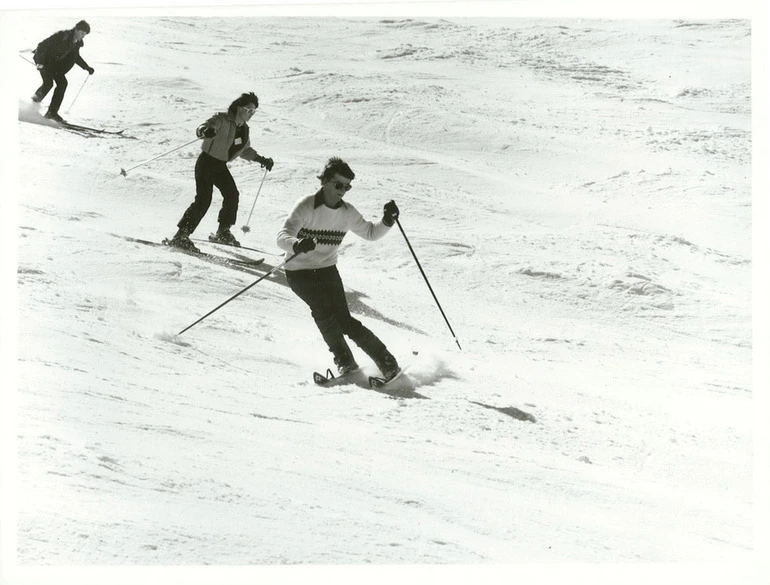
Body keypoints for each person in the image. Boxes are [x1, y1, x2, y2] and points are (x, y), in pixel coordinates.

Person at [277, 157, 401, 380]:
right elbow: (282, 236)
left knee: (344, 320)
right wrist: (296, 244)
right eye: (338, 185)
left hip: (326, 269)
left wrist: (387, 221)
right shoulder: (307, 205)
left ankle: (387, 361)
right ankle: (345, 361)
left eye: (347, 186)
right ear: (324, 181)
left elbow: (370, 233)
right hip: (298, 271)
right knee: (323, 312)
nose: (343, 191)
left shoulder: (347, 212)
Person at [170, 92, 274, 252]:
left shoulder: (244, 130)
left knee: (232, 194)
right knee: (203, 200)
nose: (250, 114)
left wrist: (261, 159)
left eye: (253, 112)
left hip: (219, 166)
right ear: (239, 108)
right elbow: (204, 127)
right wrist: (205, 131)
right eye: (248, 110)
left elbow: (245, 150)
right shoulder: (222, 119)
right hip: (206, 162)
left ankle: (223, 232)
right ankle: (181, 236)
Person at [32, 20, 95, 123]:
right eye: (82, 33)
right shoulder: (62, 35)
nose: (83, 36)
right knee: (48, 83)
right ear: (76, 29)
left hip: (56, 66)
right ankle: (32, 105)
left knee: (62, 83)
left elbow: (76, 57)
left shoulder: (76, 43)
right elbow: (42, 46)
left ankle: (51, 113)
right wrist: (40, 62)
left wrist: (87, 68)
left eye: (85, 35)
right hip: (44, 61)